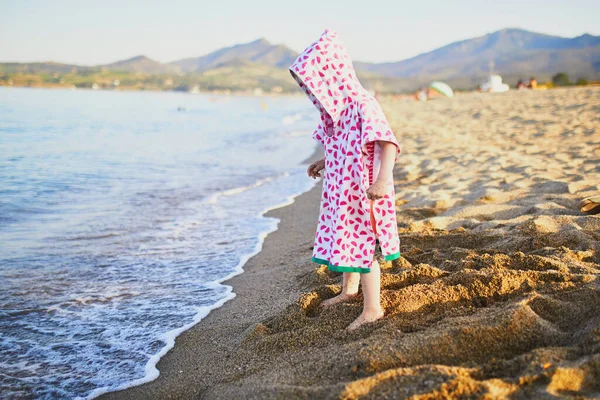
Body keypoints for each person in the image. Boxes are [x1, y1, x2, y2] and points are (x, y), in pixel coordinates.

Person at [289, 29, 401, 331]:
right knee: (346, 240)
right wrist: (324, 162)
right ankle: (349, 290)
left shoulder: (364, 105)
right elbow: (343, 145)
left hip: (364, 190)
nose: (317, 90)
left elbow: (387, 142)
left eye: (319, 82)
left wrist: (381, 180)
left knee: (363, 246)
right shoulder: (335, 114)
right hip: (340, 190)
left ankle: (373, 308)